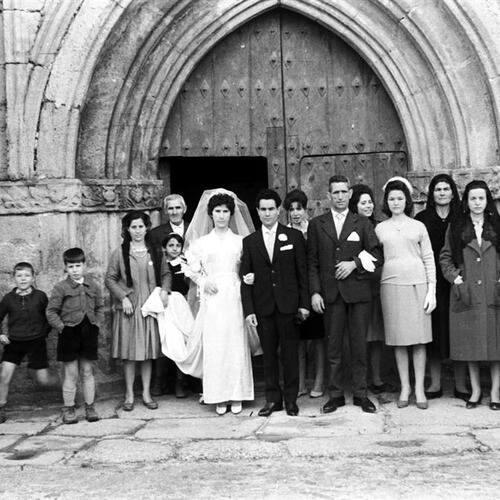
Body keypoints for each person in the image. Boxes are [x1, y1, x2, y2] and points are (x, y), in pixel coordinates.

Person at [308, 175, 382, 414]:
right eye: (335, 193)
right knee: (333, 347)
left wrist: (354, 264)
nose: (340, 197)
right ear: (328, 196)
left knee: (359, 346)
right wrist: (315, 292)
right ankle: (336, 395)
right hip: (331, 295)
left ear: (350, 194)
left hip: (358, 293)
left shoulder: (362, 223)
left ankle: (361, 394)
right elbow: (313, 263)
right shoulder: (317, 224)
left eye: (343, 192)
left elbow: (377, 255)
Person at [179, 189, 255, 415]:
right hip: (213, 298)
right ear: (210, 214)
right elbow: (190, 267)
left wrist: (248, 278)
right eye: (217, 211)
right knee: (216, 345)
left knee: (235, 344)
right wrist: (204, 282)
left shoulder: (241, 241)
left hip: (235, 295)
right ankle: (218, 395)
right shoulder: (202, 242)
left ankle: (237, 393)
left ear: (231, 214)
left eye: (225, 211)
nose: (221, 216)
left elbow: (248, 268)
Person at [241, 188, 309, 417]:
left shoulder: (294, 237)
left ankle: (291, 399)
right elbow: (245, 278)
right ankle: (272, 399)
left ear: (279, 210)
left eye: (271, 209)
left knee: (289, 353)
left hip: (288, 305)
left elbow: (302, 273)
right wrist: (249, 310)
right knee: (268, 354)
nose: (267, 213)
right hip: (263, 306)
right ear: (257, 212)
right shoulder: (249, 241)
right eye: (263, 209)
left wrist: (303, 304)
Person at [375, 178, 436, 410]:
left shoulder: (418, 226)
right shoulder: (380, 228)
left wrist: (432, 290)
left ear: (407, 200)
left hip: (417, 285)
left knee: (419, 339)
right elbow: (374, 258)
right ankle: (405, 387)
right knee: (398, 340)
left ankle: (419, 387)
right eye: (392, 199)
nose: (396, 202)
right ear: (386, 202)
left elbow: (429, 258)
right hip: (391, 286)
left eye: (400, 198)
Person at [440, 180, 500, 410]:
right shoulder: (456, 227)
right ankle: (475, 390)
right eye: (473, 198)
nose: (477, 203)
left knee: (496, 345)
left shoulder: (497, 225)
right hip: (467, 294)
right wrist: (456, 279)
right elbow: (445, 257)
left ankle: (495, 392)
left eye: (481, 198)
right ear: (466, 201)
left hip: (493, 292)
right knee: (470, 345)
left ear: (488, 201)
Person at [105, 211, 167, 412]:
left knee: (148, 353)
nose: (137, 231)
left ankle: (147, 393)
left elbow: (165, 274)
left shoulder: (155, 251)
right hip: (129, 309)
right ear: (127, 230)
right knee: (130, 354)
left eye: (141, 226)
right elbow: (110, 279)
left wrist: (164, 291)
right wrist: (122, 297)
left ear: (147, 228)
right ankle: (129, 394)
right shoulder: (120, 252)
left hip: (149, 307)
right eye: (133, 227)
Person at [415, 174, 469, 400]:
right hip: (432, 282)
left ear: (453, 192)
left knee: (459, 332)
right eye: (438, 189)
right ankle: (435, 384)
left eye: (446, 189)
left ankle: (461, 385)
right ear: (432, 193)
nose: (442, 193)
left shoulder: (463, 218)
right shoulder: (422, 218)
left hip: (457, 280)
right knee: (434, 332)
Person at [46, 248, 104, 424]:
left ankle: (90, 407)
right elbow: (51, 312)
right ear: (66, 268)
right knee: (71, 374)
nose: (75, 270)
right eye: (71, 266)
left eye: (78, 265)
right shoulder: (60, 288)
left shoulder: (93, 285)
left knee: (87, 371)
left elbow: (100, 307)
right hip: (69, 334)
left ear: (84, 265)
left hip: (88, 333)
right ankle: (69, 408)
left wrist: (97, 323)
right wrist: (62, 327)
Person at [348, 184, 396, 395]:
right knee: (359, 335)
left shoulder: (380, 226)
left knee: (375, 336)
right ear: (355, 205)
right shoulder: (350, 227)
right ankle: (358, 379)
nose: (367, 206)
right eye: (362, 202)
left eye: (369, 202)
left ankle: (376, 378)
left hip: (377, 286)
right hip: (358, 286)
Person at [0, 262, 58, 424]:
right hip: (14, 343)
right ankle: (1, 407)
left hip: (36, 343)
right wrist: (1, 335)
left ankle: (67, 387)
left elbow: (49, 317)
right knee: (4, 374)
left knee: (43, 380)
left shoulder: (40, 296)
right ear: (14, 278)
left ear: (33, 277)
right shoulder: (8, 299)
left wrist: (43, 333)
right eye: (19, 276)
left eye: (26, 275)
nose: (23, 279)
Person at [283, 189, 325, 399]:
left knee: (317, 338)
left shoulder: (314, 229)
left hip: (314, 290)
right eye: (291, 210)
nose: (296, 213)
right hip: (294, 294)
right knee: (297, 340)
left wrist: (316, 291)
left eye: (299, 209)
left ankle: (318, 380)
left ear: (306, 209)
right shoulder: (284, 233)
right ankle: (299, 383)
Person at [149, 194, 191, 397]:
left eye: (178, 208)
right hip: (166, 295)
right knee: (165, 339)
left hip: (187, 296)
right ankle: (160, 382)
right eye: (170, 208)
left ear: (184, 209)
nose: (174, 211)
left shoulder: (195, 229)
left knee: (186, 338)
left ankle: (184, 383)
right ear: (165, 211)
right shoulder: (156, 234)